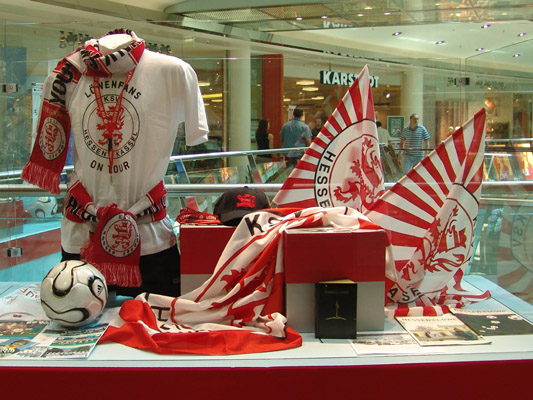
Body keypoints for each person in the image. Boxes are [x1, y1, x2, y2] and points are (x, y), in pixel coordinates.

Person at [21, 29, 209, 298]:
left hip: (150, 238)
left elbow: (195, 134)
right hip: (82, 235)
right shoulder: (67, 73)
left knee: (156, 322)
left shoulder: (174, 71)